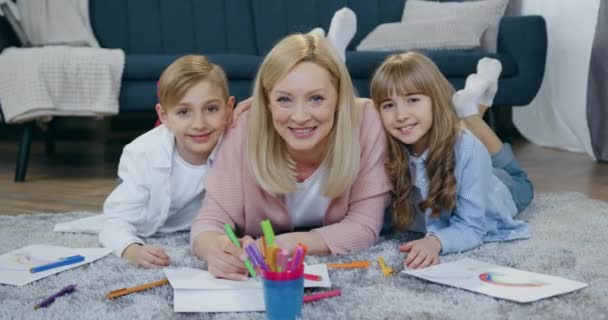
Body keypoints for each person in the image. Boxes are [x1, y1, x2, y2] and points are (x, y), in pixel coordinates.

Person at [190, 33, 391, 280]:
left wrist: (277, 245)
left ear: (339, 97)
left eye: (316, 98)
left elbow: (364, 226)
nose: (299, 116)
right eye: (284, 99)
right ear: (267, 102)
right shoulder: (244, 126)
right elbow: (209, 222)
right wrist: (214, 251)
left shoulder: (367, 122)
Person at [370, 52, 533, 270]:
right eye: (389, 105)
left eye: (412, 100)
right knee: (458, 142)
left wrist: (435, 241)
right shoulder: (384, 145)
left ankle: (473, 113)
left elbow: (472, 227)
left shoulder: (469, 150)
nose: (400, 115)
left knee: (518, 179)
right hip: (457, 156)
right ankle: (471, 109)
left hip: (497, 187)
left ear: (435, 100)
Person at [99, 55, 234, 268]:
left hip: (202, 229)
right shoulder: (141, 153)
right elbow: (115, 221)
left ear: (228, 109)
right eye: (183, 112)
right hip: (150, 226)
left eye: (211, 109)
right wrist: (131, 249)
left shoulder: (236, 147)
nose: (199, 124)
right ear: (164, 116)